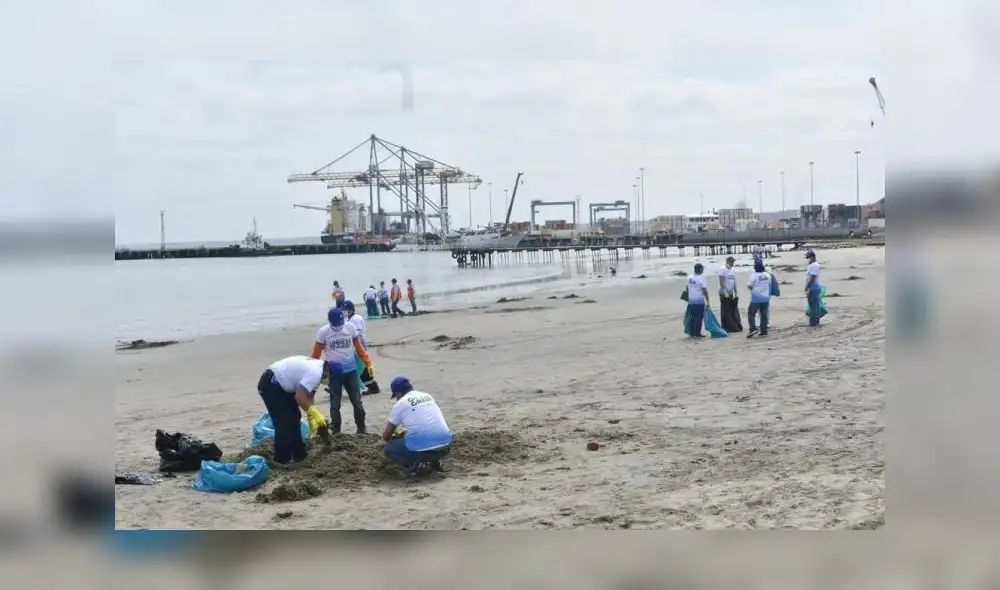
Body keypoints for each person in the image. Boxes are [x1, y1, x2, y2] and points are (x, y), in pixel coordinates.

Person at [310, 307, 374, 434]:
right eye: (336, 324)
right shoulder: (323, 332)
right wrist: (311, 370)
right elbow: (316, 354)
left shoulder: (350, 328)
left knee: (357, 401)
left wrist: (368, 363)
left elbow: (359, 348)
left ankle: (361, 428)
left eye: (340, 323)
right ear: (330, 321)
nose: (339, 326)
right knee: (335, 403)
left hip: (351, 371)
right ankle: (336, 430)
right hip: (334, 374)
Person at [256, 355, 328, 466]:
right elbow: (300, 397)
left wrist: (311, 417)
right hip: (271, 383)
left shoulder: (319, 369)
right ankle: (282, 460)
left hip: (282, 385)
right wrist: (315, 413)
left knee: (295, 417)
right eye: (332, 379)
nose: (330, 382)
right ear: (329, 371)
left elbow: (308, 396)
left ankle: (299, 455)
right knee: (284, 421)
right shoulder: (316, 373)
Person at [381, 377, 453, 475]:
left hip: (422, 449)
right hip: (446, 445)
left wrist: (395, 437)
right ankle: (435, 461)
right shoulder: (427, 396)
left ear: (397, 393)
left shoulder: (400, 404)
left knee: (390, 449)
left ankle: (418, 465)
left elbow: (386, 435)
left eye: (396, 396)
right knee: (426, 437)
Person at [341, 300, 381, 395]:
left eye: (346, 309)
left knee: (361, 369)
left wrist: (356, 348)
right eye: (344, 310)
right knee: (359, 369)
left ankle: (373, 388)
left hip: (360, 347)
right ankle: (344, 387)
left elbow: (357, 335)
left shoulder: (356, 319)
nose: (345, 311)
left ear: (352, 309)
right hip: (355, 348)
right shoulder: (349, 319)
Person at [746, 257, 773, 337]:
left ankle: (753, 328)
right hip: (765, 297)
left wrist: (754, 290)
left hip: (756, 298)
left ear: (755, 267)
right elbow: (769, 285)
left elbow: (749, 286)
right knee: (764, 314)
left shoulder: (753, 275)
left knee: (751, 313)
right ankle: (764, 331)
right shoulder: (767, 275)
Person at [716, 256, 743, 333]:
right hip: (724, 293)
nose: (732, 263)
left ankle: (732, 326)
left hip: (731, 293)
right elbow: (721, 282)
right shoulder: (722, 269)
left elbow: (734, 282)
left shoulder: (733, 270)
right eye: (731, 261)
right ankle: (725, 327)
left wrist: (736, 292)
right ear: (727, 261)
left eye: (733, 261)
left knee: (731, 310)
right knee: (725, 310)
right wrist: (725, 292)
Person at [686, 263, 710, 337]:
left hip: (691, 300)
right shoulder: (701, 278)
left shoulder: (689, 277)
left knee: (693, 317)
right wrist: (708, 301)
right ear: (700, 269)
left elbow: (687, 288)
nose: (703, 270)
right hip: (699, 300)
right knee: (699, 317)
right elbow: (704, 290)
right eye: (702, 268)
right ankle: (697, 333)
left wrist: (687, 299)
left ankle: (692, 332)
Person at [804, 250, 823, 327]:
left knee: (813, 306)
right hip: (815, 287)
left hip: (813, 288)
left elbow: (812, 277)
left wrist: (807, 287)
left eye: (808, 257)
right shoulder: (813, 265)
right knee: (815, 305)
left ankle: (813, 322)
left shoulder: (814, 265)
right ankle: (816, 321)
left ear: (812, 257)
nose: (807, 259)